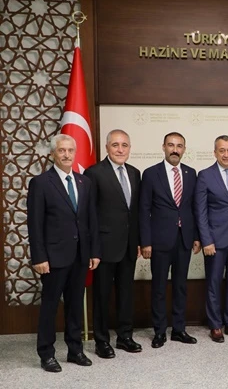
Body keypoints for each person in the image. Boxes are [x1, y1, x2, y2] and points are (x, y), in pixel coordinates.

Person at [28, 134, 100, 372]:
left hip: (80, 255)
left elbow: (90, 220)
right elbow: (35, 224)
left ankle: (75, 350)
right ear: (53, 154)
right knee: (50, 306)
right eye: (62, 150)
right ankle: (46, 353)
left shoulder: (84, 182)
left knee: (75, 305)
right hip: (53, 257)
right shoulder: (41, 183)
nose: (67, 155)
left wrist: (93, 251)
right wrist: (39, 257)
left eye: (70, 150)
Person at [84, 129, 143, 359]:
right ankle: (101, 341)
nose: (120, 149)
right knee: (102, 296)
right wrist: (93, 248)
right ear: (107, 147)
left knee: (126, 294)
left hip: (128, 246)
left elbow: (135, 212)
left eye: (124, 145)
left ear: (129, 148)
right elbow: (89, 214)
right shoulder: (94, 173)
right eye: (115, 145)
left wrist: (138, 241)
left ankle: (125, 337)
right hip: (104, 246)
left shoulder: (135, 173)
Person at [139, 132, 201, 349]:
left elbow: (193, 208)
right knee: (159, 287)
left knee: (180, 286)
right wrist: (145, 241)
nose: (175, 149)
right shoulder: (150, 174)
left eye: (179, 146)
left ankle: (179, 329)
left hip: (184, 239)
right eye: (171, 145)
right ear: (163, 147)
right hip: (159, 240)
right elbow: (144, 209)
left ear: (184, 149)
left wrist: (196, 237)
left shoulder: (191, 173)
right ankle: (159, 331)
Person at [195, 135, 228, 343]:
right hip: (215, 241)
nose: (226, 154)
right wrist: (206, 240)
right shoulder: (205, 175)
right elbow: (200, 211)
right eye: (222, 150)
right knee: (214, 283)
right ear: (215, 152)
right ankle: (215, 325)